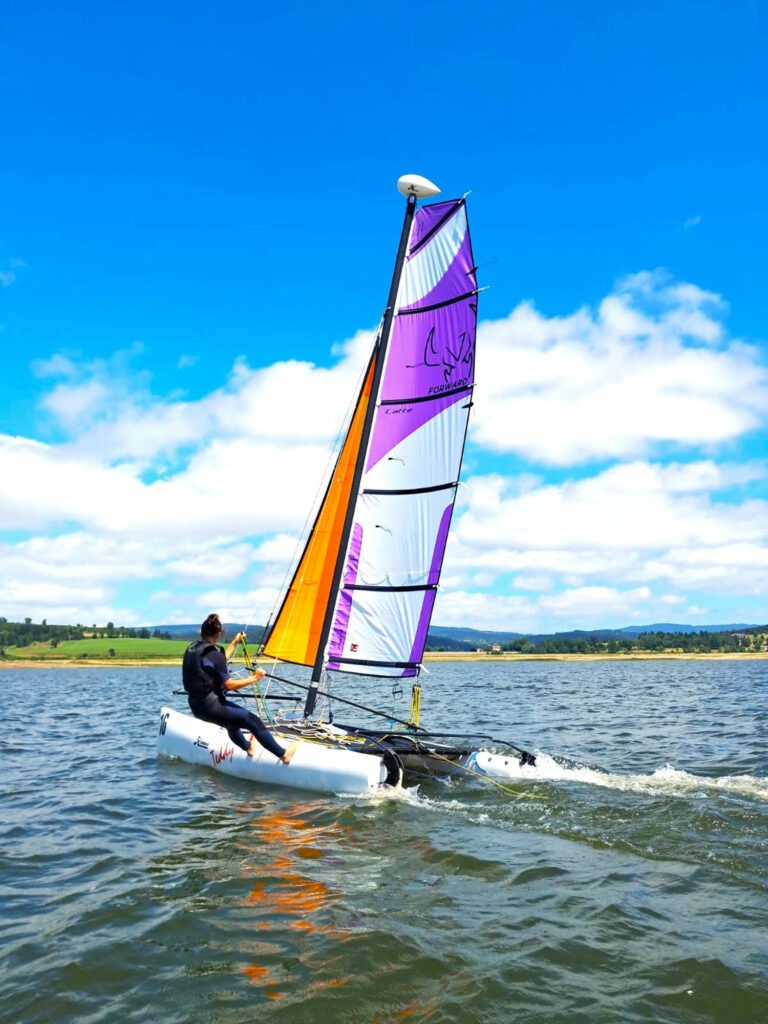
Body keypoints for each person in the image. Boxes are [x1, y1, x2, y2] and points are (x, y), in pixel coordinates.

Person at [182, 613, 297, 763]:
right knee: (254, 722)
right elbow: (228, 685)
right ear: (219, 634)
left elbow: (219, 660)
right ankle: (284, 755)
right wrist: (254, 678)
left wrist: (235, 641)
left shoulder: (194, 650)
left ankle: (248, 747)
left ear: (201, 632)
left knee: (231, 722)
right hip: (212, 706)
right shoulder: (213, 654)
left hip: (196, 706)